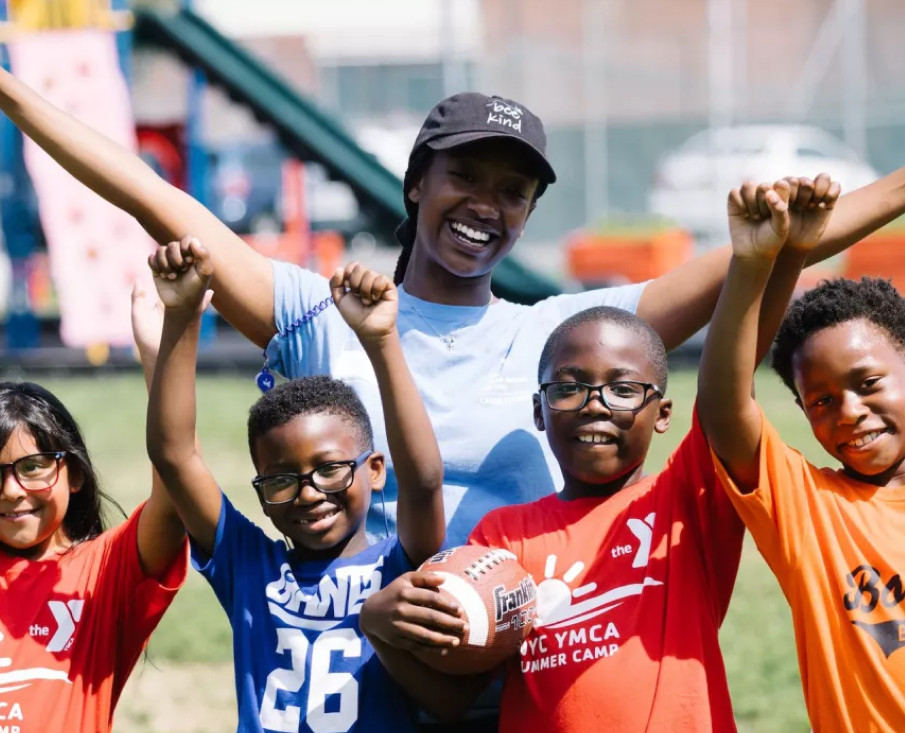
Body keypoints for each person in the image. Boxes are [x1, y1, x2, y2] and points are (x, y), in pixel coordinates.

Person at [0, 70, 902, 545]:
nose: (485, 203)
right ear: (416, 181)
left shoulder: (566, 336)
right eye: (464, 176)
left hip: (525, 660)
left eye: (512, 191)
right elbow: (154, 197)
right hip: (358, 664)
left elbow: (781, 242)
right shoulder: (314, 311)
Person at [354, 174, 843, 733]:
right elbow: (453, 699)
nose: (594, 405)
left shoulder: (684, 500)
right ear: (538, 411)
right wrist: (380, 628)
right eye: (568, 387)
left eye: (623, 389)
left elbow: (728, 389)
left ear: (663, 413)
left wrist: (757, 263)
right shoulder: (502, 538)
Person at [144, 235, 446, 732]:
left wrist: (381, 341)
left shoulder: (402, 561)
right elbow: (174, 456)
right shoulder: (249, 566)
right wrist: (181, 316)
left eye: (330, 470)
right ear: (262, 492)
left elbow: (424, 482)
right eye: (282, 480)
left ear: (374, 470)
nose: (309, 493)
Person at [698, 162, 905, 728]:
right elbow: (722, 406)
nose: (850, 412)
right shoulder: (809, 509)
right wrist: (759, 260)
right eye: (821, 401)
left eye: (867, 384)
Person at [0, 289, 188, 732]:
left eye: (33, 467)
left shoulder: (104, 574)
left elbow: (178, 484)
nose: (11, 490)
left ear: (76, 474)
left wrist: (159, 353)